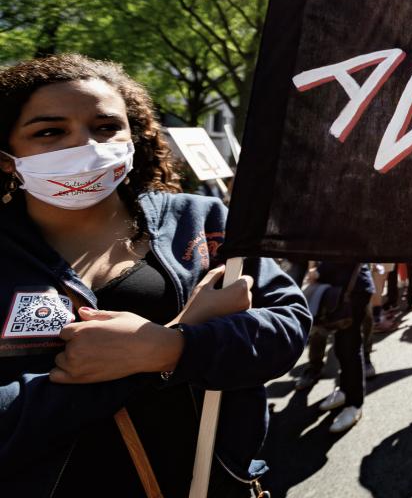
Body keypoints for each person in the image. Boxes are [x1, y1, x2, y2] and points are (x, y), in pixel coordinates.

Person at [0, 54, 310, 497]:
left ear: (134, 135)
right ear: (8, 158)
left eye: (106, 127)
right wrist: (154, 353)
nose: (85, 146)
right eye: (50, 132)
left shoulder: (201, 220)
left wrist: (175, 347)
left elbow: (288, 325)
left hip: (216, 484)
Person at [309, 261, 374, 433]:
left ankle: (354, 403)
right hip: (343, 288)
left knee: (350, 347)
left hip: (354, 289)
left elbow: (347, 248)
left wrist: (320, 270)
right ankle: (345, 391)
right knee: (342, 347)